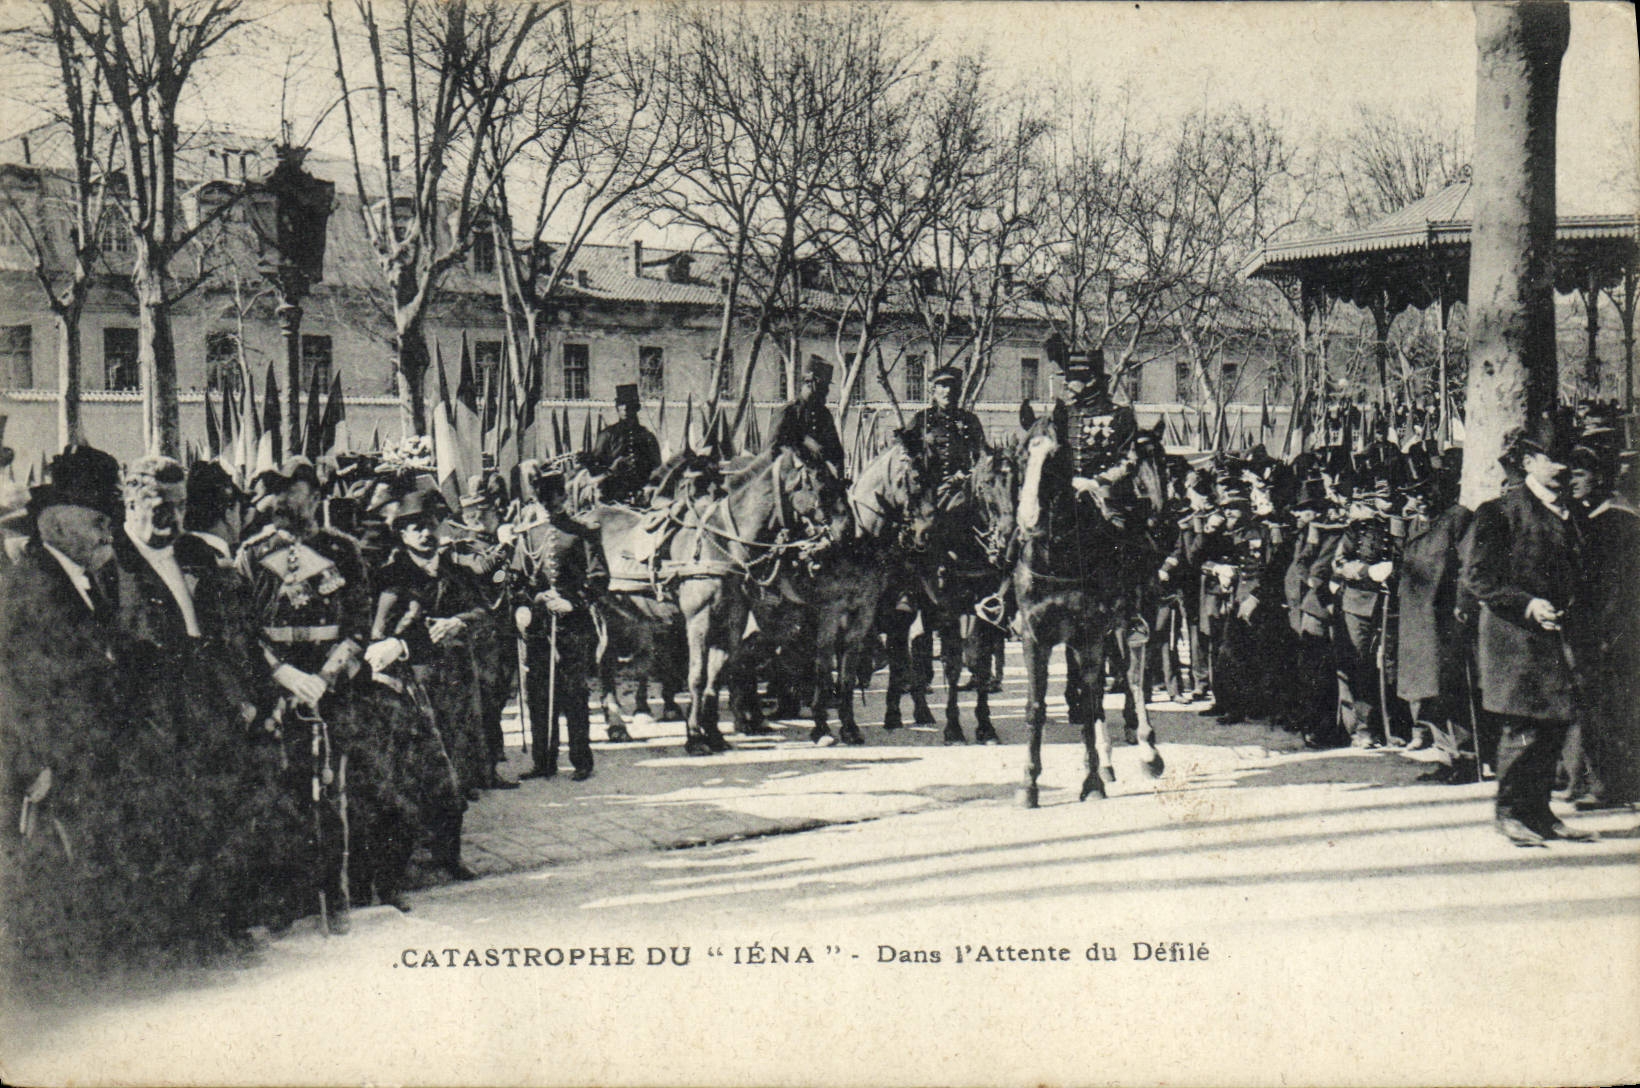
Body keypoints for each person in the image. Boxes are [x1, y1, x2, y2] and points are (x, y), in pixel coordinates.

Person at [0, 445, 129, 968]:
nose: (108, 533)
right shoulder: (25, 587)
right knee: (45, 882)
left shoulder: (85, 581)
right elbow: (10, 680)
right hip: (49, 765)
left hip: (86, 758)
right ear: (54, 524)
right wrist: (32, 761)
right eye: (99, 520)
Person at [1460, 428, 1597, 847]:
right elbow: (1478, 578)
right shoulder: (1499, 512)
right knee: (1522, 728)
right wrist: (1526, 604)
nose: (1563, 467)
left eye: (1567, 459)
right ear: (1528, 464)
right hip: (1514, 637)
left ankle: (1539, 812)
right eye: (1553, 459)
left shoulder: (1571, 511)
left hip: (1557, 636)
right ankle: (1509, 812)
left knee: (1554, 726)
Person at [515, 468, 606, 782]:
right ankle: (544, 762)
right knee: (539, 694)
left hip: (573, 626)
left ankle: (581, 760)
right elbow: (518, 580)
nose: (549, 503)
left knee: (574, 694)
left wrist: (573, 602)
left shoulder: (583, 532)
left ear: (563, 497)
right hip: (540, 628)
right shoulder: (529, 534)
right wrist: (532, 602)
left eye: (554, 497)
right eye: (542, 498)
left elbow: (599, 578)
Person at [1564, 441, 1639, 809]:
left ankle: (1617, 785)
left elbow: (1624, 586)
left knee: (1616, 708)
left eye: (1580, 474)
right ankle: (1600, 781)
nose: (1572, 481)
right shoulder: (1578, 516)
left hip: (1616, 631)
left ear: (1599, 477)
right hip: (1585, 631)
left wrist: (1611, 630)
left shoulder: (1620, 520)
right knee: (1591, 708)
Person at [1050, 348, 1138, 527]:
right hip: (1068, 490)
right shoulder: (1063, 414)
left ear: (1090, 380)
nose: (1066, 384)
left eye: (1071, 378)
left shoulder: (1120, 414)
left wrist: (1096, 482)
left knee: (1120, 532)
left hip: (1106, 492)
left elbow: (1130, 459)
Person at [909, 365, 987, 504]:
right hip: (927, 491)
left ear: (958, 391)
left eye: (952, 386)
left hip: (960, 489)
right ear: (933, 391)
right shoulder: (922, 419)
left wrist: (967, 473)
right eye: (943, 386)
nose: (948, 391)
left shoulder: (969, 420)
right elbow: (904, 451)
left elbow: (981, 455)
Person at [770, 357, 846, 478]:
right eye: (824, 385)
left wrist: (839, 479)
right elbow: (771, 453)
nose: (827, 390)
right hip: (793, 483)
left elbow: (837, 453)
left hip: (821, 482)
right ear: (810, 382)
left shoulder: (824, 415)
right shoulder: (788, 412)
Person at [587, 384, 662, 505]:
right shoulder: (607, 435)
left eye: (629, 405)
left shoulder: (647, 436)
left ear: (636, 408)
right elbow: (593, 469)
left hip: (643, 498)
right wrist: (612, 469)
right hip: (611, 498)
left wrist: (648, 488)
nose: (625, 408)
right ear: (617, 407)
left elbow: (657, 468)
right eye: (622, 404)